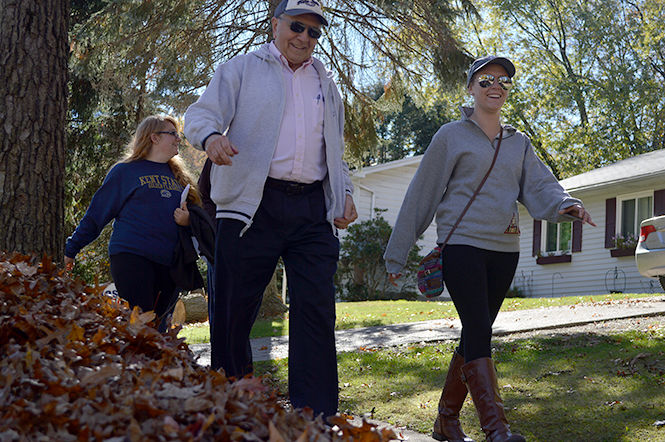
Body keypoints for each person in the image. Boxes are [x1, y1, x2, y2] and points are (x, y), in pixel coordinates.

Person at [384, 56, 596, 442]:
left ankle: (446, 421)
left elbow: (541, 185)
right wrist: (397, 252)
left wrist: (567, 204)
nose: (495, 86)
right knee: (480, 328)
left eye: (503, 81)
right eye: (485, 80)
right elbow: (422, 194)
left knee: (474, 334)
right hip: (462, 244)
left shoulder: (519, 142)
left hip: (505, 248)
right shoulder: (450, 136)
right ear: (470, 88)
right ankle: (496, 429)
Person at [183, 0, 357, 418]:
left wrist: (344, 191)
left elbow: (334, 149)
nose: (304, 37)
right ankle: (232, 405)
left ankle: (314, 416)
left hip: (312, 210)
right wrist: (210, 138)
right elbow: (200, 114)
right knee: (232, 309)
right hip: (251, 206)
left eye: (314, 32)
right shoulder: (241, 68)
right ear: (275, 24)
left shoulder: (325, 84)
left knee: (317, 312)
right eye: (297, 26)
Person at [65, 115, 203, 332]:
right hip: (132, 256)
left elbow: (199, 219)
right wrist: (71, 248)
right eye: (173, 134)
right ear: (154, 138)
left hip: (171, 264)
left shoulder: (179, 177)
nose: (179, 139)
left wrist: (187, 220)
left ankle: (153, 366)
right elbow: (97, 214)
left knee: (158, 329)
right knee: (141, 324)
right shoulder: (125, 172)